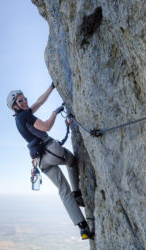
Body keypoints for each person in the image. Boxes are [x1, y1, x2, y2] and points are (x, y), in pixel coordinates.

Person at [6, 83, 93, 240]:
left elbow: (39, 101)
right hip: (52, 151)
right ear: (15, 106)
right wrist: (55, 112)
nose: (25, 101)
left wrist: (52, 87)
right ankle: (77, 193)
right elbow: (46, 127)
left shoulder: (19, 118)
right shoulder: (25, 115)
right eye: (20, 101)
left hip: (40, 161)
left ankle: (83, 227)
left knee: (62, 190)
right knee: (72, 162)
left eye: (24, 98)